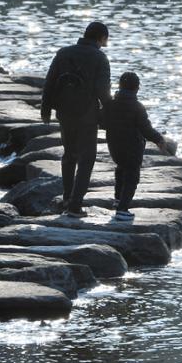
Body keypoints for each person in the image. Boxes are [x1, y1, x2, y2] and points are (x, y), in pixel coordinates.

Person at [41, 22, 112, 218]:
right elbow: (103, 91)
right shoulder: (100, 57)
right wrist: (112, 112)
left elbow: (50, 81)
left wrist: (45, 109)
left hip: (64, 112)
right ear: (100, 38)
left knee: (69, 154)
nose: (107, 42)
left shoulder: (63, 53)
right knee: (87, 159)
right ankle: (75, 205)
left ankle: (66, 197)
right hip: (87, 115)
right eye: (106, 38)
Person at [102, 72, 167, 221]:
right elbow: (146, 128)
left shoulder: (111, 104)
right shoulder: (137, 107)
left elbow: (103, 122)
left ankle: (118, 199)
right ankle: (123, 208)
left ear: (119, 86)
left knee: (120, 170)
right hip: (132, 148)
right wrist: (159, 139)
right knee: (131, 177)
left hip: (115, 147)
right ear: (137, 88)